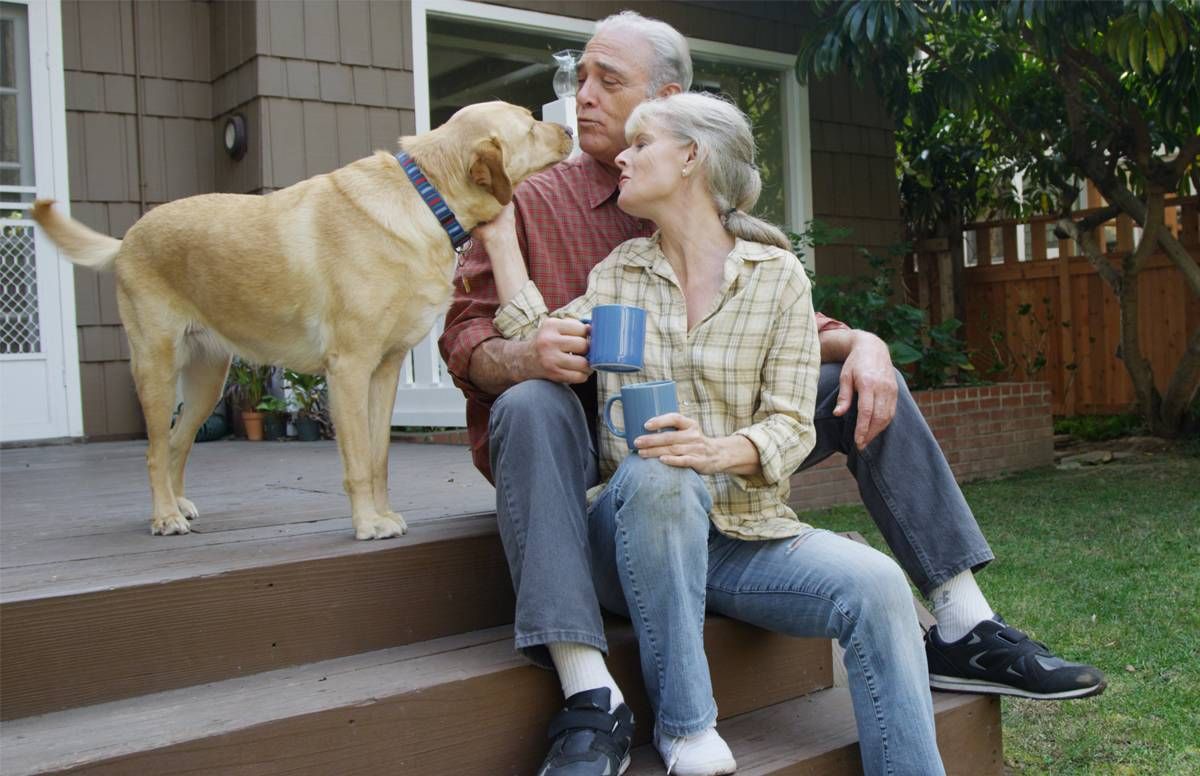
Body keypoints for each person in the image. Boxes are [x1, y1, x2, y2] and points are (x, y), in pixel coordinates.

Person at [439, 10, 1105, 775]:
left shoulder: (751, 252)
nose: (580, 96)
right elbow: (468, 336)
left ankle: (961, 620)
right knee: (557, 415)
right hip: (590, 455)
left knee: (857, 379)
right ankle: (595, 693)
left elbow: (778, 328)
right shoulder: (560, 220)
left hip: (724, 483)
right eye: (576, 78)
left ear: (676, 119)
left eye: (607, 81)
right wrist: (524, 351)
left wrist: (865, 344)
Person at [489, 89, 947, 776]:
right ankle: (686, 727)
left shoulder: (778, 279)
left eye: (642, 143)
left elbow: (795, 424)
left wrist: (722, 450)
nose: (623, 154)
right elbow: (534, 338)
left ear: (690, 158)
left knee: (879, 586)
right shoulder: (620, 276)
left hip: (742, 536)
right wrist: (497, 232)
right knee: (662, 468)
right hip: (629, 542)